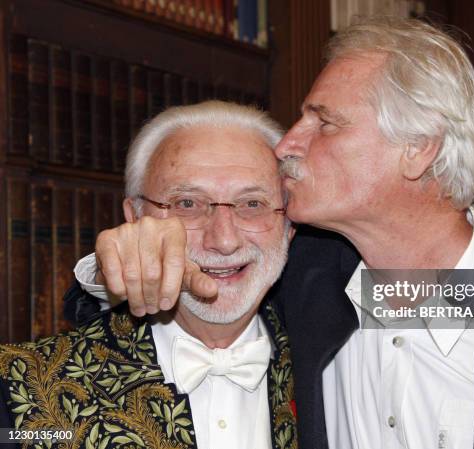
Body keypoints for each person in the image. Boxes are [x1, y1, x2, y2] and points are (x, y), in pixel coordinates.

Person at [65, 17, 474, 449]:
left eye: (323, 122)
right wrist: (123, 263)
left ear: (418, 147)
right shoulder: (311, 279)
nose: (287, 145)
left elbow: (467, 302)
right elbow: (131, 323)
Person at [0, 101, 298, 449]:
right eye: (188, 203)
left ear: (289, 225)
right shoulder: (18, 384)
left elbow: (379, 294)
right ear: (135, 218)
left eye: (252, 204)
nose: (224, 240)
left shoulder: (334, 352)